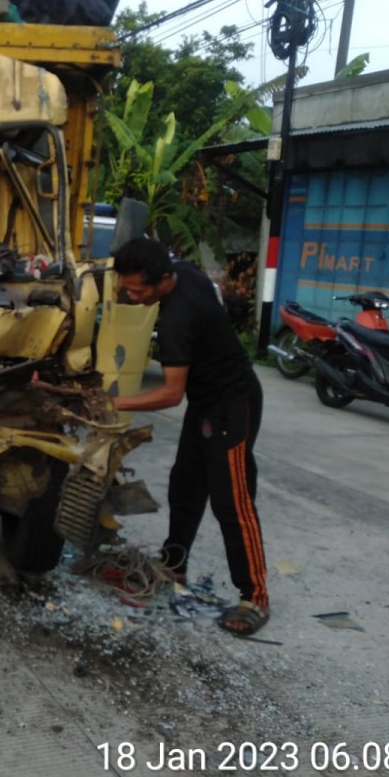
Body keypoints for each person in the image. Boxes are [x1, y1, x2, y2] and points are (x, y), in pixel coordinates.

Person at [111, 237, 269, 637]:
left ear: (164, 280)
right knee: (185, 486)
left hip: (232, 403)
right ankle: (173, 567)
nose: (131, 296)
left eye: (137, 290)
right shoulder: (185, 272)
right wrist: (122, 280)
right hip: (206, 402)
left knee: (232, 501)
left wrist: (115, 402)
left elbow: (170, 393)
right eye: (126, 287)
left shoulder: (176, 320)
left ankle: (256, 597)